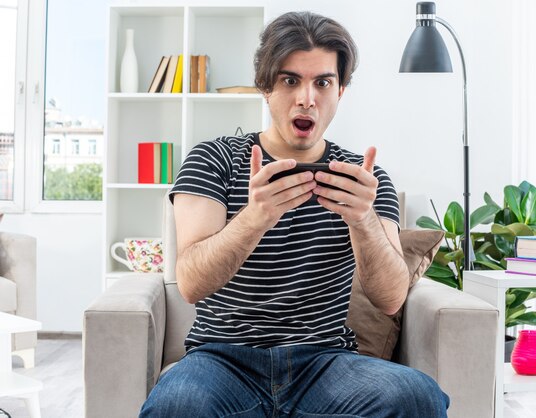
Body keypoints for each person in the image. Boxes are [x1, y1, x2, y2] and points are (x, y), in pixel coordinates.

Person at [139, 11, 450, 418]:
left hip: (325, 363)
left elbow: (391, 299)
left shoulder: (364, 180)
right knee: (175, 406)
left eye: (323, 82)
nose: (307, 98)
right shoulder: (213, 160)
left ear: (341, 92)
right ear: (266, 88)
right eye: (290, 81)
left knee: (418, 396)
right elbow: (192, 285)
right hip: (222, 360)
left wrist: (362, 219)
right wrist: (255, 217)